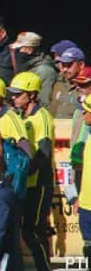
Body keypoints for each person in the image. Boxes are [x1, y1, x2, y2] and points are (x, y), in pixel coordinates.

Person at [7, 71, 55, 271]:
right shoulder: (20, 116)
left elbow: (43, 154)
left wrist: (25, 171)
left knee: (33, 231)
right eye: (13, 94)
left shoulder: (42, 117)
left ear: (33, 95)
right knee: (22, 230)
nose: (14, 98)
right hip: (26, 182)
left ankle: (44, 267)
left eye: (19, 94)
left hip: (39, 183)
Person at [10, 32, 58, 107]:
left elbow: (44, 102)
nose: (18, 52)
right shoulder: (26, 67)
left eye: (20, 48)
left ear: (30, 50)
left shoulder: (45, 71)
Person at [70, 95, 91, 258]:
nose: (83, 116)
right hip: (86, 205)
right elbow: (76, 170)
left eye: (86, 112)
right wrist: (74, 197)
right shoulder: (84, 142)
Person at [51, 46, 86, 119]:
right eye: (63, 65)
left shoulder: (87, 88)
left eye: (69, 65)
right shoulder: (58, 84)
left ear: (81, 65)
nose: (65, 69)